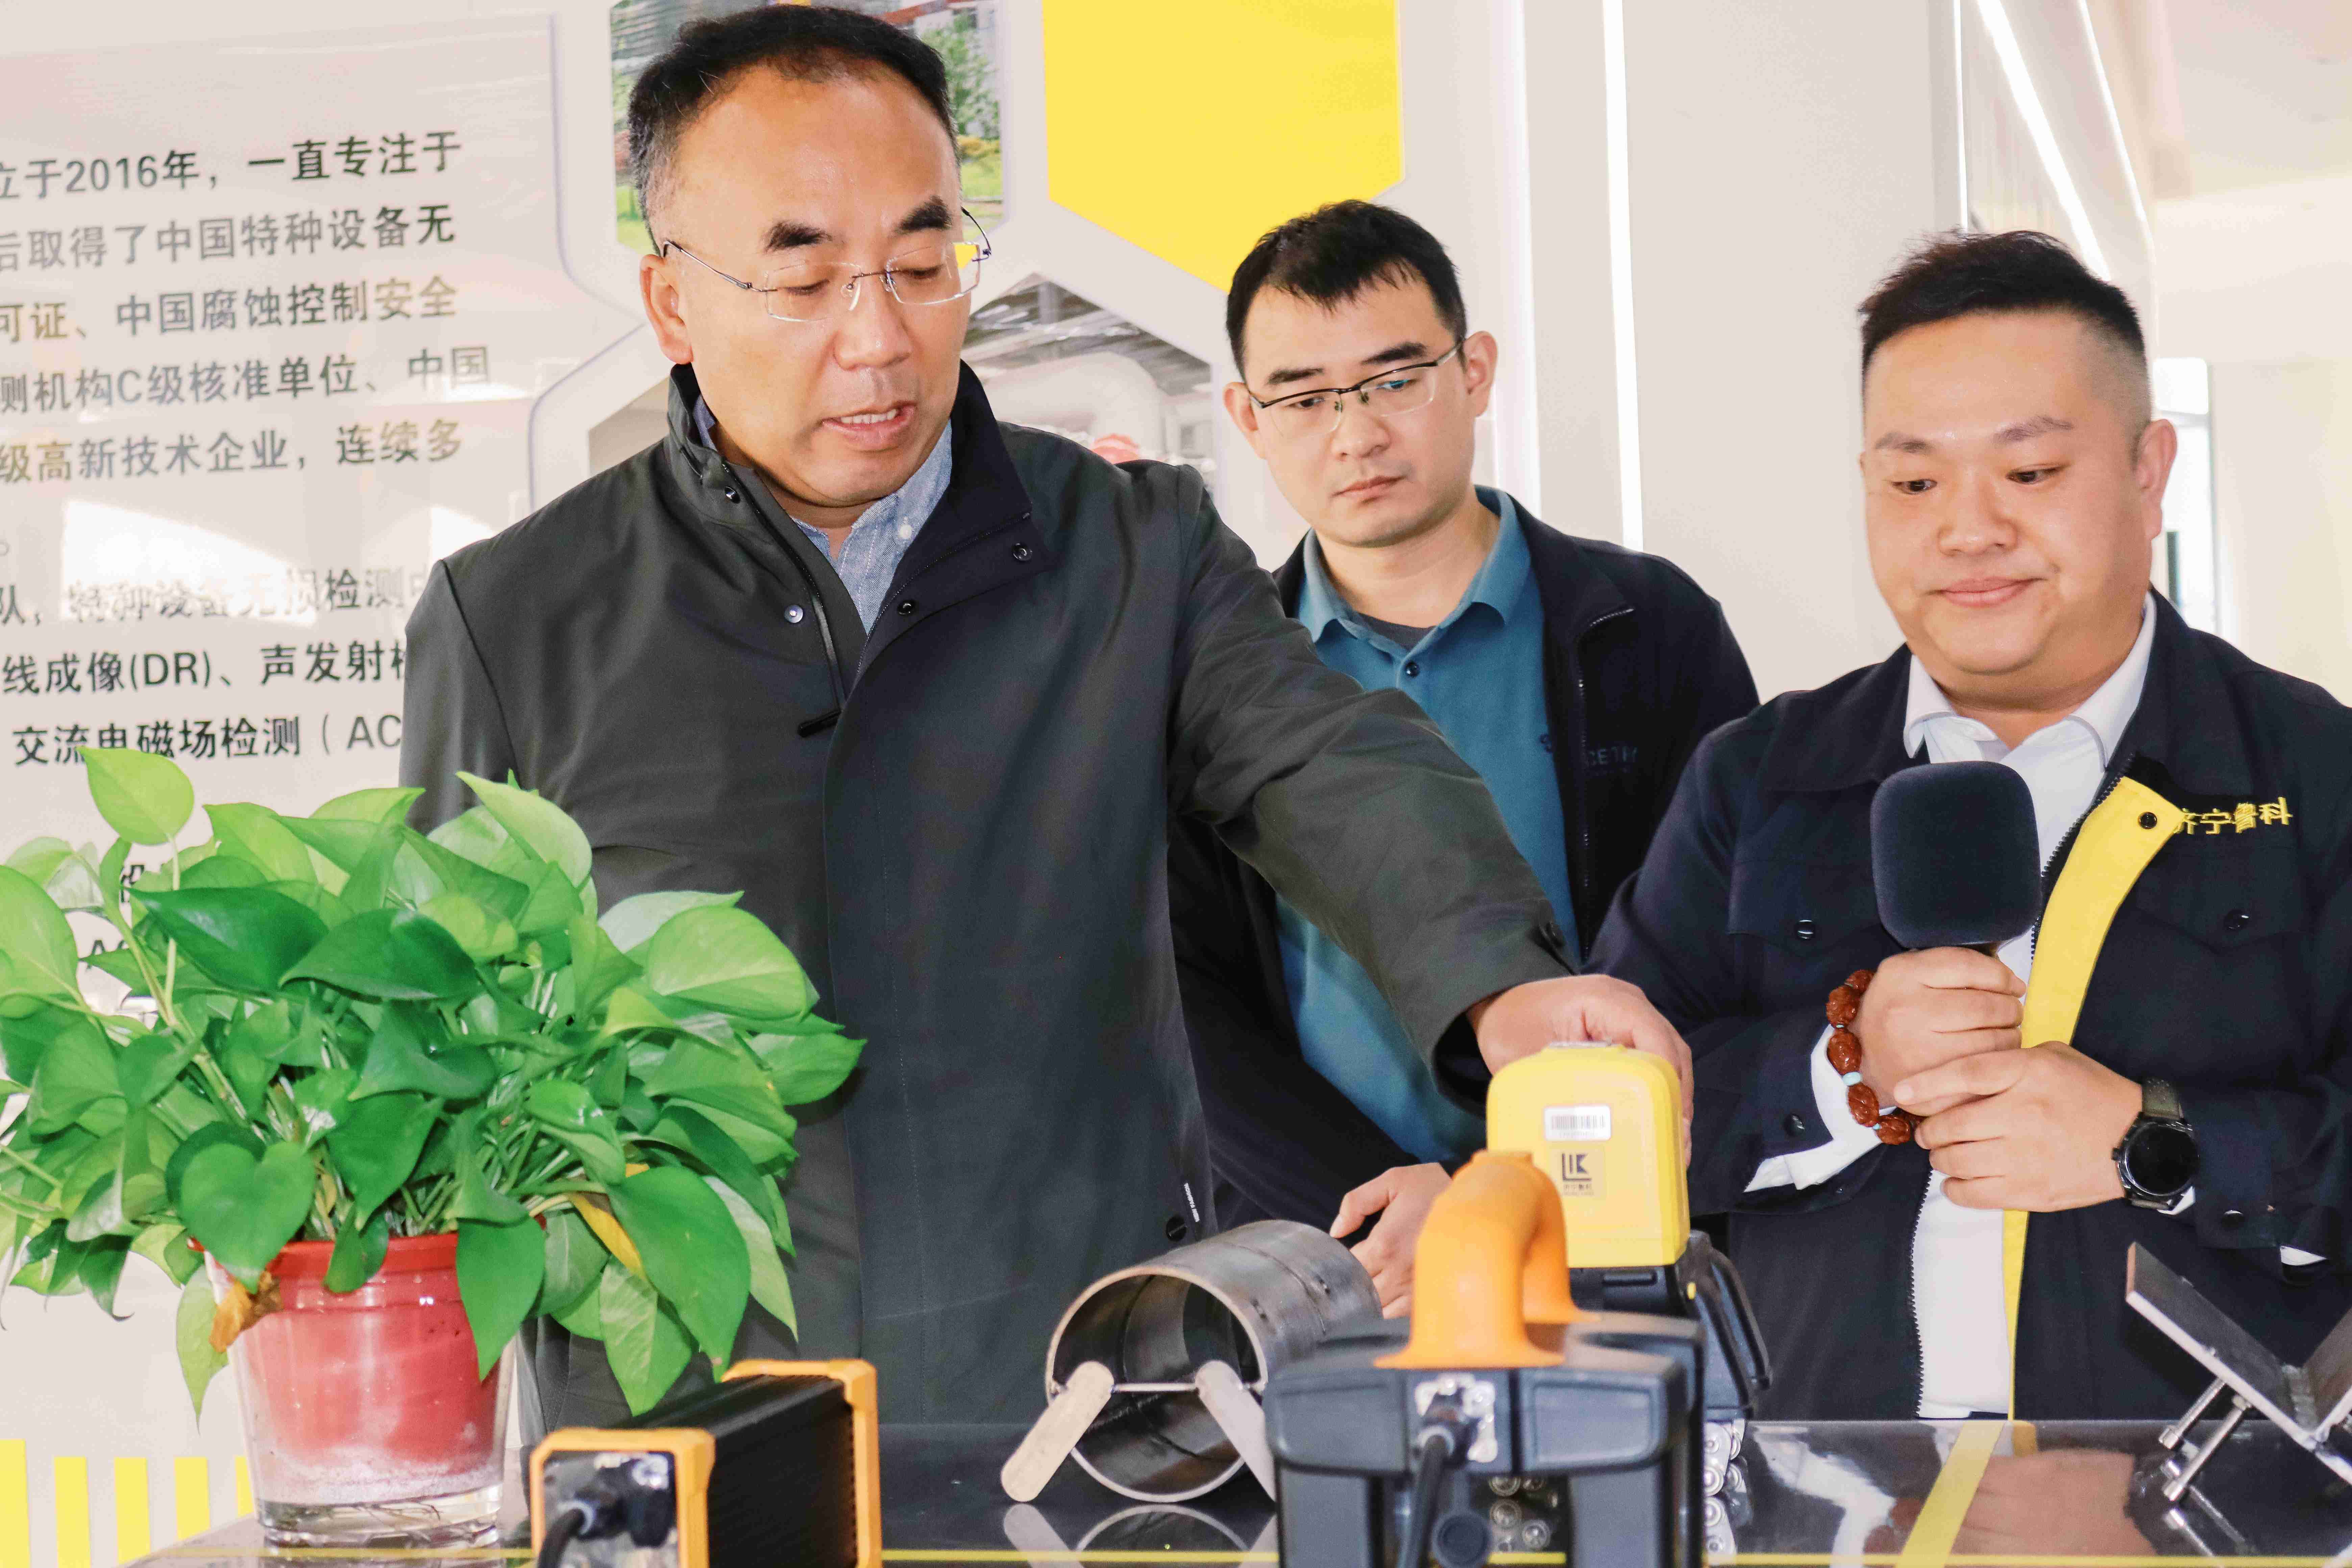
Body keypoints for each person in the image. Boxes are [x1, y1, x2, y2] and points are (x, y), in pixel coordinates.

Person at [399, 6, 1690, 1425]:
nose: (878, 339)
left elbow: (1330, 762)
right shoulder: (517, 617)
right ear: (671, 304)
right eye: (805, 277)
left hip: (1085, 1391)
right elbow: (446, 1044)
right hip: (694, 1413)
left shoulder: (1126, 546)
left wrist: (1500, 978)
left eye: (921, 264)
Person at [1589, 229, 2352, 1419]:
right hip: (1831, 1489)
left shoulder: (2317, 773)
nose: (1968, 529)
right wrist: (1842, 1071)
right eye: (1914, 483)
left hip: (2202, 1498)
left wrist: (2152, 1144)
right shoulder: (1757, 778)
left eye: (2030, 473)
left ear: (2150, 471)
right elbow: (1605, 1133)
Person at [1167, 202, 1755, 1310]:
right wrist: (1369, 1212)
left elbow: (1715, 953)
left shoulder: (1650, 629)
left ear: (1474, 371)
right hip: (1333, 1259)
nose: (1355, 435)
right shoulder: (1206, 684)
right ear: (1248, 417)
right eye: (1304, 397)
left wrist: (1513, 1183)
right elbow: (1189, 1012)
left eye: (1395, 379)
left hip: (1608, 1235)